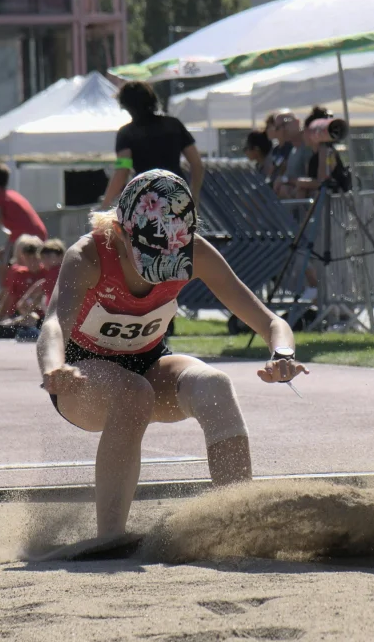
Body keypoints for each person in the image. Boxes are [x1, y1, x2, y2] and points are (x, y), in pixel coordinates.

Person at [40, 169, 310, 538]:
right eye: (150, 256)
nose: (158, 273)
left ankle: (241, 523)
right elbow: (54, 323)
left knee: (214, 384)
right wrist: (54, 368)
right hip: (82, 376)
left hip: (150, 365)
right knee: (133, 393)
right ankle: (110, 537)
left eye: (171, 256)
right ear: (120, 230)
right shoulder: (88, 255)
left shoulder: (195, 250)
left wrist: (283, 354)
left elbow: (270, 322)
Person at [101, 81, 204, 208]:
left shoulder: (127, 133)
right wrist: (194, 195)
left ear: (125, 106)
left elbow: (122, 170)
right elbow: (197, 163)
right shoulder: (174, 125)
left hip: (147, 200)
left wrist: (106, 203)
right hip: (177, 196)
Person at [0, 163, 48, 285]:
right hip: (37, 234)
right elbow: (21, 224)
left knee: (5, 270)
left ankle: (9, 298)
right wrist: (6, 248)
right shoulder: (12, 195)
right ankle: (29, 296)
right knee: (30, 268)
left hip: (24, 237)